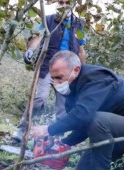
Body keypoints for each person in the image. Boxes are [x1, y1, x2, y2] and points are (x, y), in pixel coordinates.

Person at [32, 50, 124, 170]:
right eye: (54, 79)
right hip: (114, 133)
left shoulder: (96, 78)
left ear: (75, 70)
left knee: (96, 120)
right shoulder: (73, 89)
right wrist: (64, 143)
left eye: (59, 77)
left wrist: (49, 129)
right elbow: (82, 126)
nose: (57, 83)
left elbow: (84, 115)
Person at [12, 0, 86, 142]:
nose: (64, 5)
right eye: (61, 2)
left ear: (73, 4)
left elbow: (81, 50)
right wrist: (30, 50)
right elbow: (38, 37)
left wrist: (83, 70)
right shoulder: (48, 20)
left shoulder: (78, 24)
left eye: (67, 2)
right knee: (39, 98)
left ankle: (58, 136)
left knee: (62, 106)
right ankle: (21, 129)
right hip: (47, 66)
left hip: (67, 72)